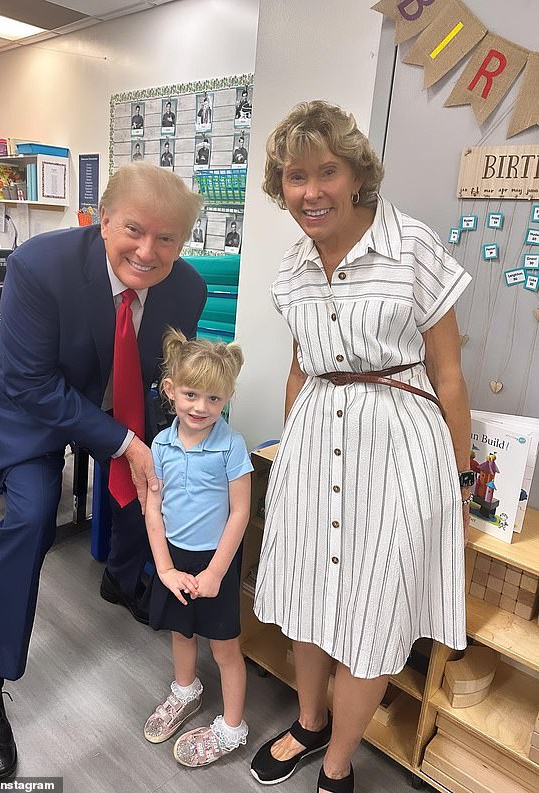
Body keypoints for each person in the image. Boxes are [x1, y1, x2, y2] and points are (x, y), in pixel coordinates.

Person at [250, 101, 472, 793]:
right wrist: (288, 458)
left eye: (326, 170)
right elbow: (299, 368)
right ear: (280, 186)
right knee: (307, 595)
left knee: (377, 612)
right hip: (314, 441)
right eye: (295, 175)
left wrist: (459, 488)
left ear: (354, 176)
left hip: (400, 447)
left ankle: (339, 760)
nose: (311, 190)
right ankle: (309, 722)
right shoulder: (290, 269)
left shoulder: (412, 247)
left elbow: (449, 374)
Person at [0, 161, 207, 780]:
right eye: (133, 229)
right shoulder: (41, 266)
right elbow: (32, 382)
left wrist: (179, 436)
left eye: (167, 239)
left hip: (109, 400)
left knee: (149, 482)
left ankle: (122, 579)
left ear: (183, 241)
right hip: (28, 406)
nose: (148, 251)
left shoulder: (187, 289)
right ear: (101, 220)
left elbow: (162, 378)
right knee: (32, 515)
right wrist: (125, 441)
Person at [143, 329, 252, 767]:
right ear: (170, 391)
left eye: (214, 399)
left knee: (225, 648)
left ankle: (232, 728)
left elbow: (240, 513)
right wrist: (166, 570)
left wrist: (215, 573)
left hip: (216, 562)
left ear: (226, 399)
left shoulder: (232, 445)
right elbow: (153, 510)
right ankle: (186, 692)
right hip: (176, 559)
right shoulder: (161, 444)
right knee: (181, 632)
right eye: (191, 394)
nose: (201, 407)